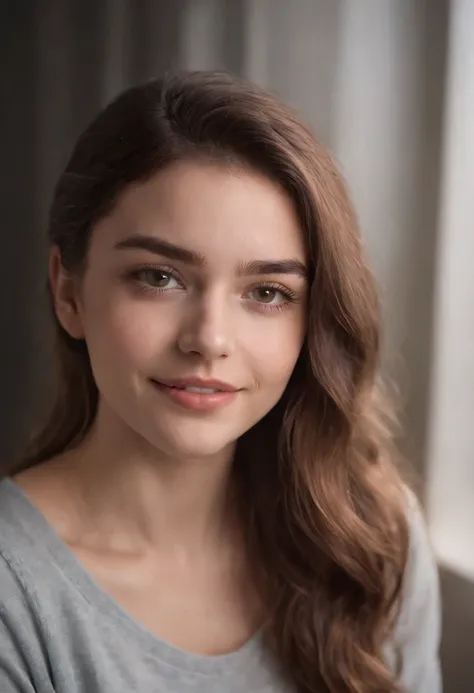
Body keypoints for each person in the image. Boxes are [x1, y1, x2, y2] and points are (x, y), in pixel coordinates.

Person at [0, 71, 441, 693]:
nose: (209, 338)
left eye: (267, 292)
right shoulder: (14, 598)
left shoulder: (372, 540)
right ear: (68, 291)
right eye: (159, 277)